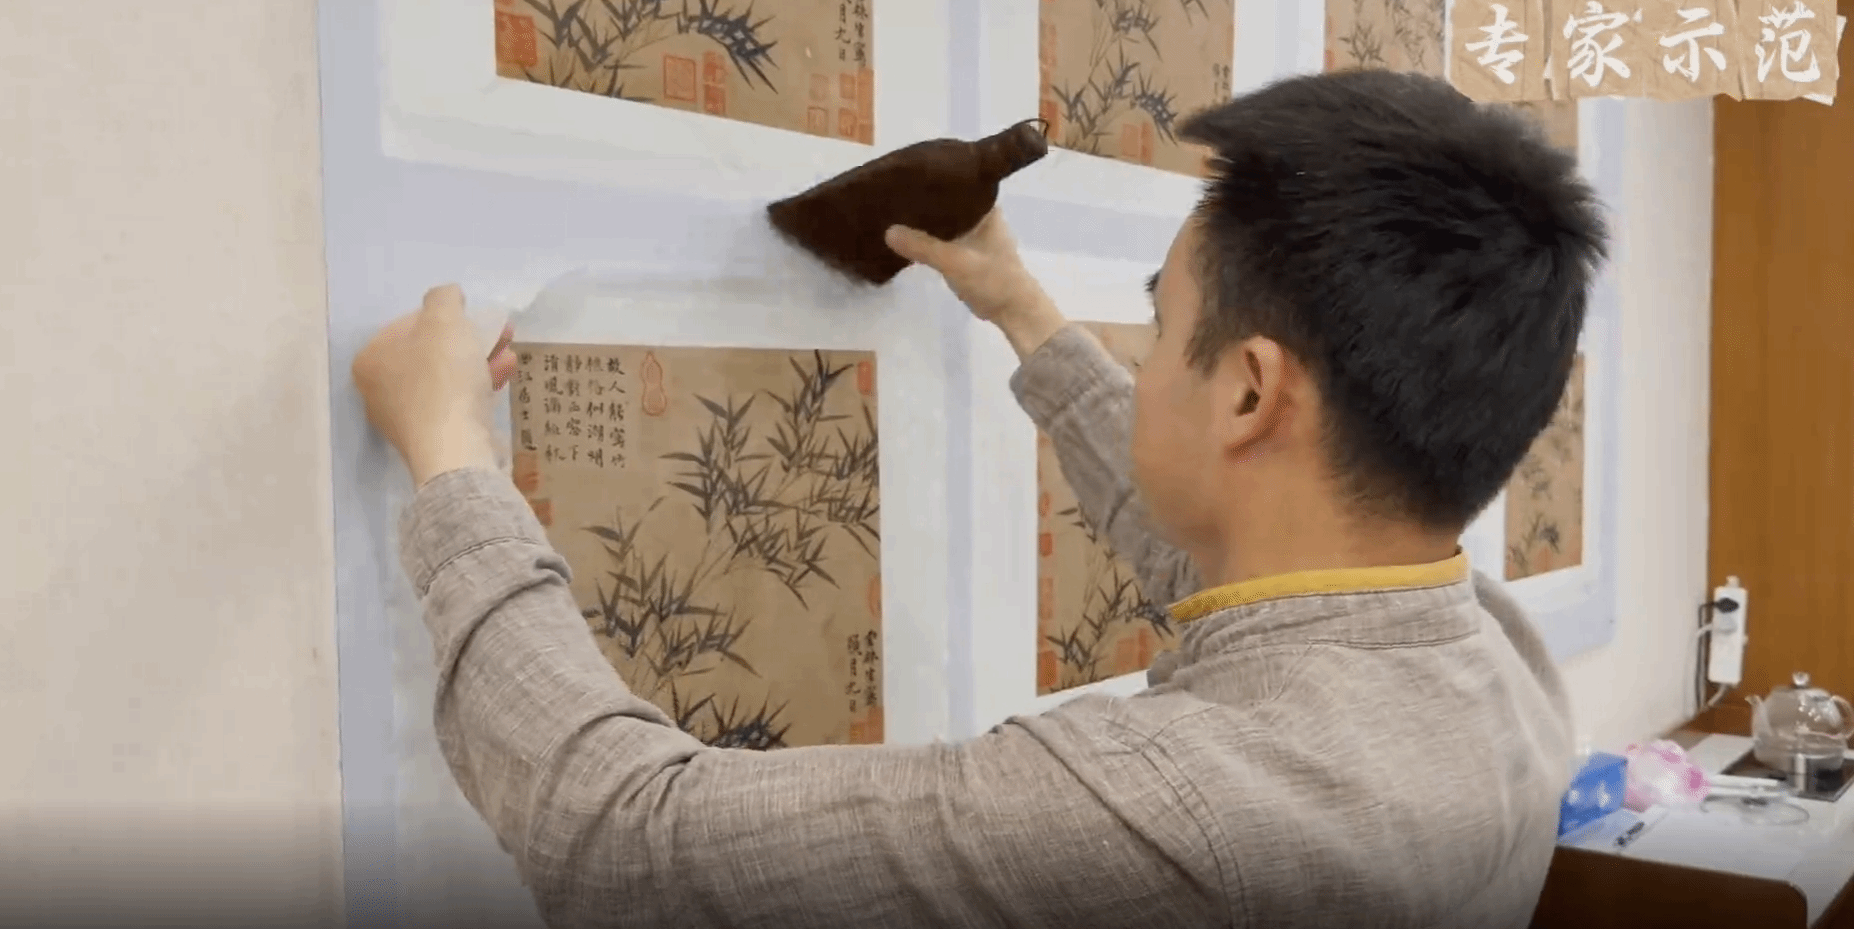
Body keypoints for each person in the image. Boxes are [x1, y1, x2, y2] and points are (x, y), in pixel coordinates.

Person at [352, 69, 1606, 928]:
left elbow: (620, 840)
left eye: (1162, 319)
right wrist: (1019, 307)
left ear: (1248, 393)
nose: (1147, 353)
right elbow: (1224, 565)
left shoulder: (1184, 811)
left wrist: (451, 453)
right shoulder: (1485, 656)